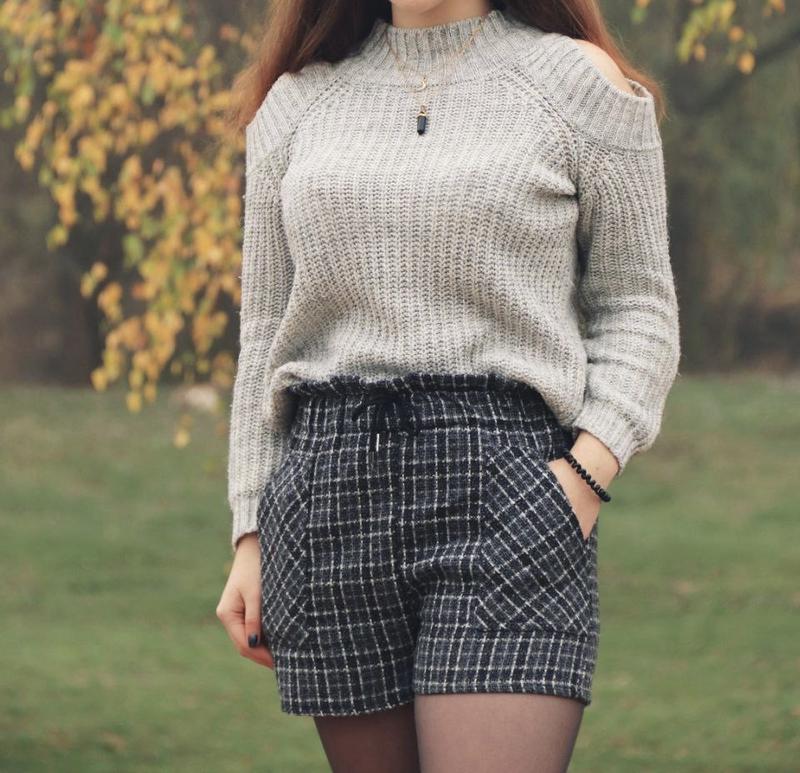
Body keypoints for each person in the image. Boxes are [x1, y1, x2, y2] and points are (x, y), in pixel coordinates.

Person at [216, 1, 681, 770]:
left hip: (509, 489)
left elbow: (639, 307)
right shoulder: (294, 104)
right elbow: (264, 336)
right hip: (329, 500)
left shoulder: (576, 84)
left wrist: (584, 478)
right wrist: (250, 531)